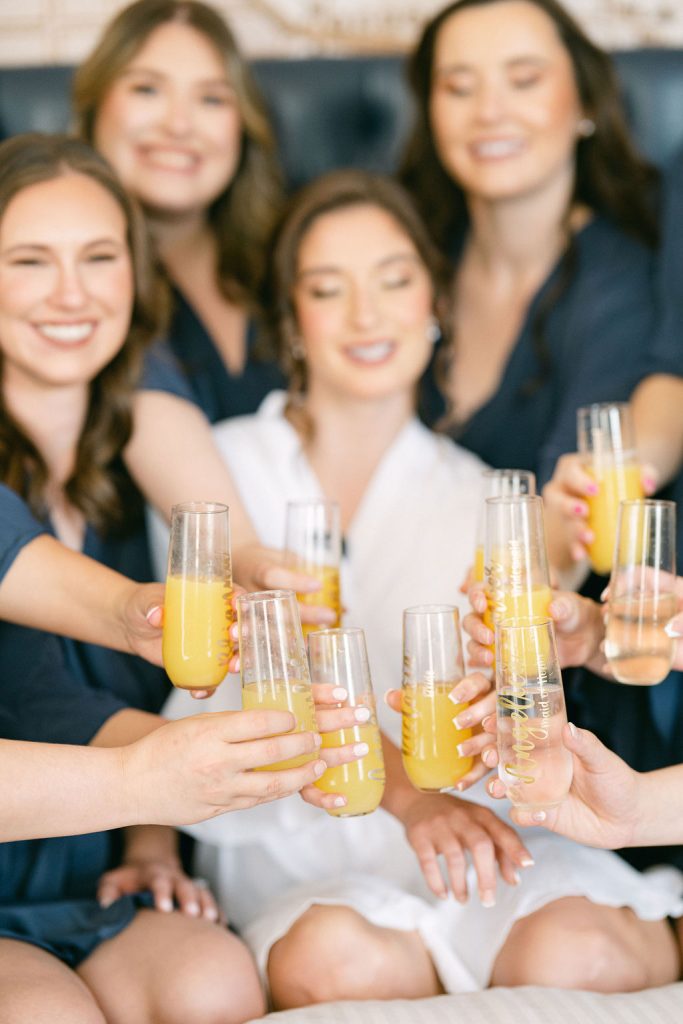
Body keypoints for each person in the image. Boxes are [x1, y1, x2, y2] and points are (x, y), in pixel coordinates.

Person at [154, 170, 683, 1007]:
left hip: (466, 818)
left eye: (394, 281)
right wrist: (406, 800)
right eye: (329, 289)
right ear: (291, 319)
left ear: (434, 303)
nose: (367, 316)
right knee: (337, 965)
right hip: (296, 832)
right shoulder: (212, 469)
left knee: (587, 954)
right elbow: (216, 688)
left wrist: (560, 581)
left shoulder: (484, 494)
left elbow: (525, 666)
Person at [0, 132, 367, 1024]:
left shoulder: (137, 433)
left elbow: (212, 535)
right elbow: (41, 694)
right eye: (28, 260)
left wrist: (153, 838)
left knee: (211, 983)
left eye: (99, 257)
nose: (71, 292)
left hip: (95, 865)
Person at [400, 0, 658, 485]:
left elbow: (575, 512)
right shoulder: (405, 261)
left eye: (524, 80)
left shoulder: (621, 278)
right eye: (459, 88)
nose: (489, 112)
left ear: (585, 102)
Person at [73, 0, 285, 425]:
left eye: (211, 98)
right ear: (96, 106)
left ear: (243, 123)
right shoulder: (62, 289)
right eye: (147, 89)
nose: (179, 125)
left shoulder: (290, 258)